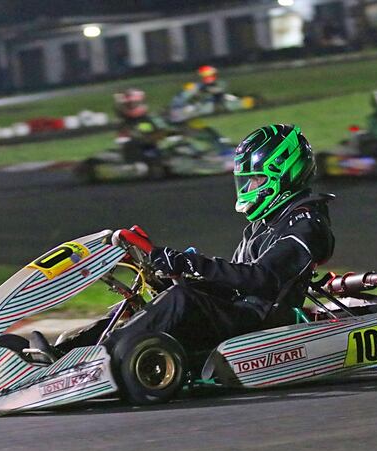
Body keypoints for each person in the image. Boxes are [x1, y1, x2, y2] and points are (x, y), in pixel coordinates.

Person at [25, 124, 335, 363]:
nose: (249, 188)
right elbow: (235, 280)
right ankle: (66, 352)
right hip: (240, 308)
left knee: (182, 299)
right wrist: (179, 272)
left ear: (283, 173)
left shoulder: (306, 224)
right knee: (152, 297)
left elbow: (261, 279)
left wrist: (190, 264)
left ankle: (94, 362)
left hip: (260, 320)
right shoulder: (265, 224)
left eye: (255, 181)